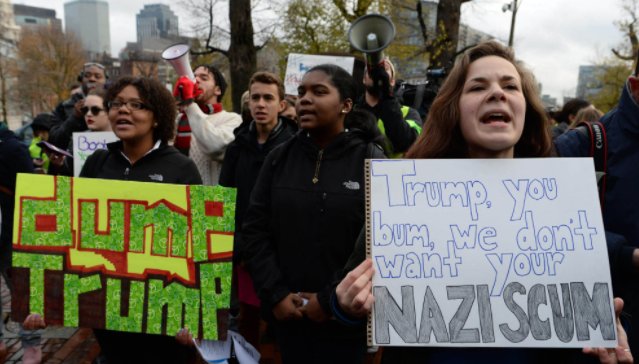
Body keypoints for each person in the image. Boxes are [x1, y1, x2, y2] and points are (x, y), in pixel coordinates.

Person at [332, 41, 633, 364]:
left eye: (509, 86)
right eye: (478, 87)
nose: (497, 93)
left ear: (525, 108)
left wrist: (608, 344)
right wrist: (346, 308)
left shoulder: (565, 205)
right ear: (454, 109)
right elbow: (357, 308)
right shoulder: (404, 203)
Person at [240, 64, 385, 364]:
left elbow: (378, 242)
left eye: (319, 92)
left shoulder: (371, 160)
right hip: (288, 319)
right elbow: (255, 229)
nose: (305, 99)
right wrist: (276, 294)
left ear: (346, 105)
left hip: (346, 324)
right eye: (302, 91)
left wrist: (329, 300)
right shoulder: (278, 158)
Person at [80, 76, 202, 363]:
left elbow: (199, 246)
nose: (123, 110)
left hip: (162, 316)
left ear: (157, 117)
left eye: (137, 105)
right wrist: (43, 298)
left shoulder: (181, 168)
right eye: (118, 104)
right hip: (109, 307)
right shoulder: (97, 163)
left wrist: (195, 312)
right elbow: (77, 234)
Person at [555, 72, 639, 358]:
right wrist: (627, 255)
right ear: (636, 86)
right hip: (601, 334)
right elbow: (543, 234)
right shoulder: (581, 147)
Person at [219, 71, 298, 349]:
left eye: (268, 98)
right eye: (255, 98)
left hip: (282, 253)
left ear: (282, 104)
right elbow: (224, 200)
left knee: (282, 324)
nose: (261, 104)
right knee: (248, 321)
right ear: (248, 103)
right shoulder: (236, 148)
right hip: (244, 251)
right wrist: (238, 246)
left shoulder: (295, 147)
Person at [173, 64, 242, 185]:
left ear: (218, 90)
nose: (196, 80)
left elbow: (215, 148)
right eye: (193, 77)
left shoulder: (233, 119)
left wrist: (189, 104)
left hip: (215, 197)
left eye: (204, 78)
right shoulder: (180, 119)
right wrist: (172, 105)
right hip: (179, 196)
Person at [0, 127, 34, 363]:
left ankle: (31, 344)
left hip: (11, 232)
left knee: (22, 290)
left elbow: (29, 192)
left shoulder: (13, 148)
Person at [357, 58, 422, 156]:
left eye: (384, 69)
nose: (377, 73)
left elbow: (406, 144)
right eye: (371, 70)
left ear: (392, 81)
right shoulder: (351, 113)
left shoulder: (410, 113)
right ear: (364, 79)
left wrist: (387, 97)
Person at [49, 62, 108, 149]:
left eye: (97, 76)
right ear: (81, 79)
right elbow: (55, 142)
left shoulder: (114, 106)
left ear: (105, 80)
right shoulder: (64, 107)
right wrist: (74, 118)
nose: (92, 79)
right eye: (87, 75)